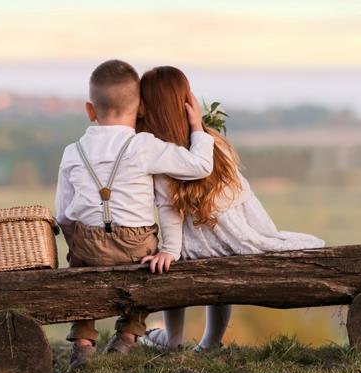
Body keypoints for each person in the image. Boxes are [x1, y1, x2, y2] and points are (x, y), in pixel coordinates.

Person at [137, 66, 325, 351]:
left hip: (199, 246)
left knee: (172, 260)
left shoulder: (161, 154)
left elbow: (168, 210)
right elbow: (244, 199)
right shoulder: (212, 142)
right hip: (238, 238)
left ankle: (173, 339)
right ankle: (211, 342)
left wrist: (170, 250)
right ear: (186, 103)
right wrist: (262, 233)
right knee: (211, 260)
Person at [54, 60, 214, 369]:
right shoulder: (145, 146)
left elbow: (62, 212)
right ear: (140, 108)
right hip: (135, 244)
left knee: (77, 267)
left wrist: (82, 238)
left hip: (87, 247)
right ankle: (128, 333)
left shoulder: (73, 151)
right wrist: (197, 127)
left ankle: (84, 339)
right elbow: (200, 166)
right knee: (149, 264)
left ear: (90, 110)